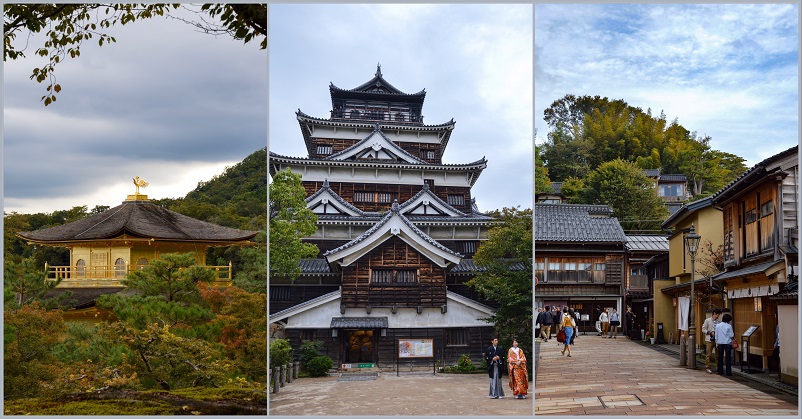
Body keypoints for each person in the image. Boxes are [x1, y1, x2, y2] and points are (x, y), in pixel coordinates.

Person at [701, 308, 721, 374]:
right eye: (718, 315)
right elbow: (703, 329)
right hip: (709, 339)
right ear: (714, 314)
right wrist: (709, 332)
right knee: (708, 354)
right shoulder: (707, 320)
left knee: (717, 354)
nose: (718, 316)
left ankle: (718, 367)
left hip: (717, 339)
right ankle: (708, 367)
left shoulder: (719, 322)